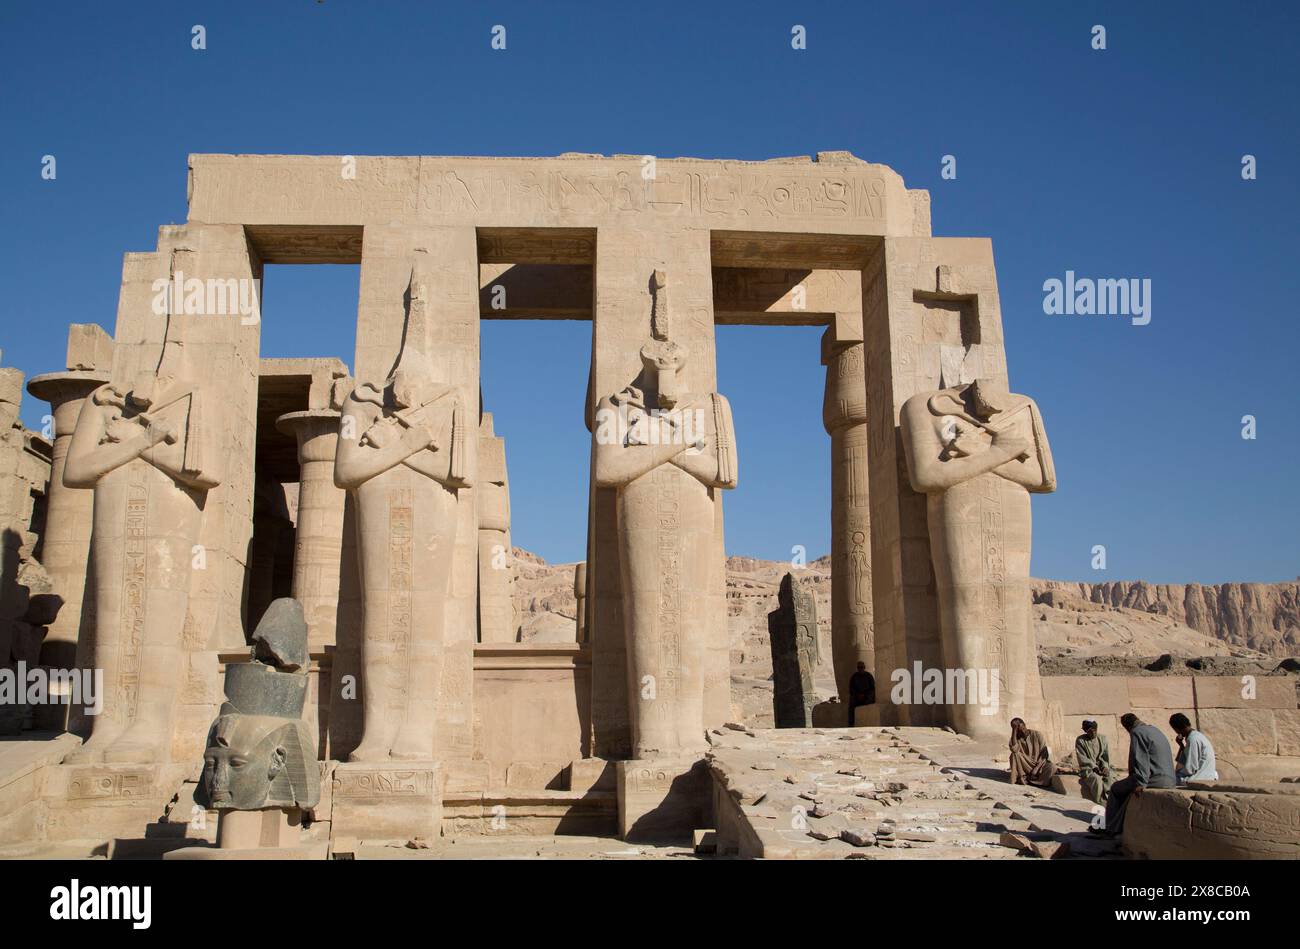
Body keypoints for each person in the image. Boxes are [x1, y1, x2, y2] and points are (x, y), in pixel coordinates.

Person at [1096, 713, 1177, 836]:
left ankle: (1109, 827)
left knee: (1115, 789)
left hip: (1155, 779)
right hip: (1170, 779)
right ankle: (1117, 826)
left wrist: (1141, 783)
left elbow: (1141, 760)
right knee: (1127, 791)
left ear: (1127, 726)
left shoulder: (1137, 732)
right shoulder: (1154, 729)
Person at [1074, 720, 1115, 804]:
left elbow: (1105, 757)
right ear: (1085, 731)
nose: (1093, 733)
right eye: (1089, 731)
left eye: (1094, 731)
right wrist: (1094, 767)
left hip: (1101, 767)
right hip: (1088, 769)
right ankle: (1101, 802)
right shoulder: (1080, 740)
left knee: (1110, 778)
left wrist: (1105, 767)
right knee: (1097, 780)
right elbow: (1082, 758)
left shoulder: (1103, 739)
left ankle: (1112, 801)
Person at [1170, 713, 1218, 785]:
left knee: (1170, 779)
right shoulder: (1195, 736)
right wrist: (1181, 745)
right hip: (1204, 775)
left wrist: (1178, 772)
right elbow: (1185, 759)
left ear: (1177, 729)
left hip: (1201, 777)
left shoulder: (1193, 739)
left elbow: (1191, 769)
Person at [1008, 717, 1056, 787]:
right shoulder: (1015, 738)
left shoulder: (1037, 734)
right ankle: (1022, 776)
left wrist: (1036, 768)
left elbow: (1044, 753)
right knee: (1014, 754)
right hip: (1025, 765)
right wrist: (1014, 731)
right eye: (1020, 731)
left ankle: (1031, 780)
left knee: (1052, 767)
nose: (1023, 732)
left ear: (1025, 725)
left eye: (1024, 729)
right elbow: (1014, 750)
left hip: (1039, 764)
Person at [847, 661, 876, 726]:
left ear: (864, 667)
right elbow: (851, 688)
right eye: (859, 667)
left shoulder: (869, 676)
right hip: (857, 696)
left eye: (861, 667)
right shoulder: (854, 676)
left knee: (870, 700)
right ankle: (851, 723)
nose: (860, 669)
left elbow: (872, 688)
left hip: (867, 696)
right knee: (851, 705)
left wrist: (865, 694)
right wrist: (858, 694)